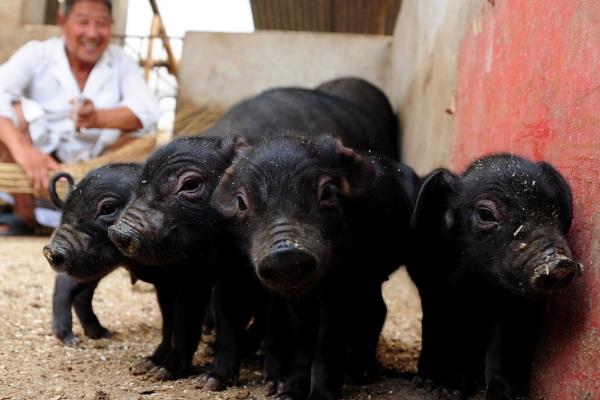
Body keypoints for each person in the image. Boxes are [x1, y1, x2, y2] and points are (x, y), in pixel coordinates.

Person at [0, 0, 160, 235]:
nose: (92, 33)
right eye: (83, 22)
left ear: (111, 26)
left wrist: (97, 118)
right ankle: (24, 213)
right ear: (63, 22)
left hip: (91, 170)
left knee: (138, 136)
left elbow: (147, 110)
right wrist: (24, 150)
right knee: (14, 111)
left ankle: (90, 213)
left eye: (101, 23)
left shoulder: (120, 61)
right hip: (31, 173)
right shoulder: (37, 54)